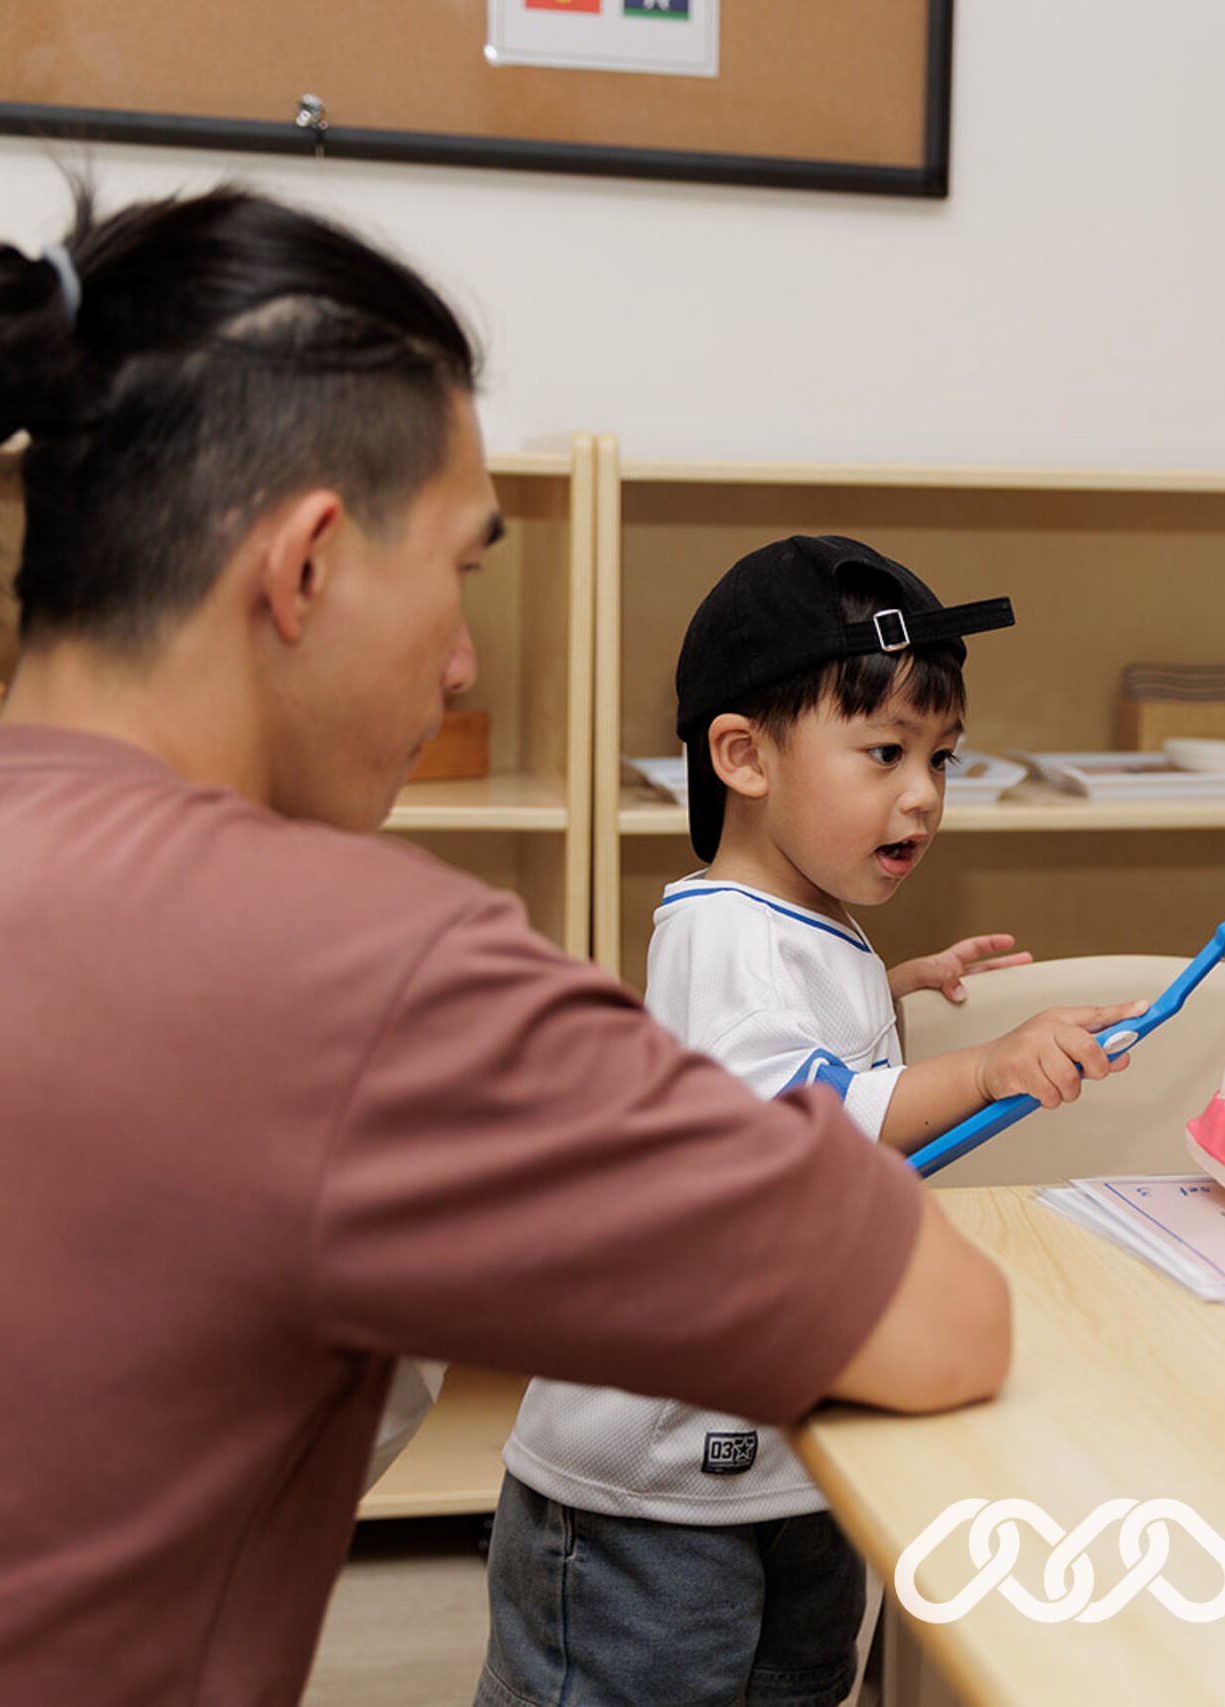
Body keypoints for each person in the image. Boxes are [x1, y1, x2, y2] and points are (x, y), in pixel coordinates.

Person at [0, 187, 1010, 1707]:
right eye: (461, 569)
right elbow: (943, 1322)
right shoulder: (363, 973)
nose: (462, 657)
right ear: (305, 568)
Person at [484, 534, 1145, 1707]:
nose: (923, 795)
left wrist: (893, 987)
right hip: (658, 1481)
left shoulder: (796, 920)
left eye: (942, 758)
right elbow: (799, 1108)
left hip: (785, 1453)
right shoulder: (724, 929)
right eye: (884, 752)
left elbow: (784, 1045)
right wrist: (989, 1066)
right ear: (741, 756)